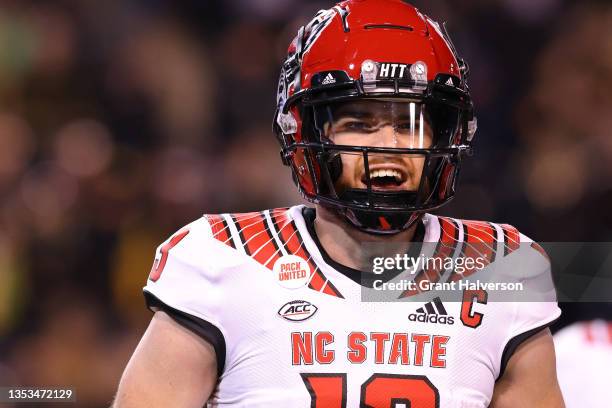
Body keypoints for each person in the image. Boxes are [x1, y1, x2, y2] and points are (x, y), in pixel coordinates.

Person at [113, 1, 564, 406]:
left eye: (409, 124)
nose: (388, 145)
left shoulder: (503, 268)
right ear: (306, 131)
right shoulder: (224, 257)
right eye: (360, 123)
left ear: (444, 135)